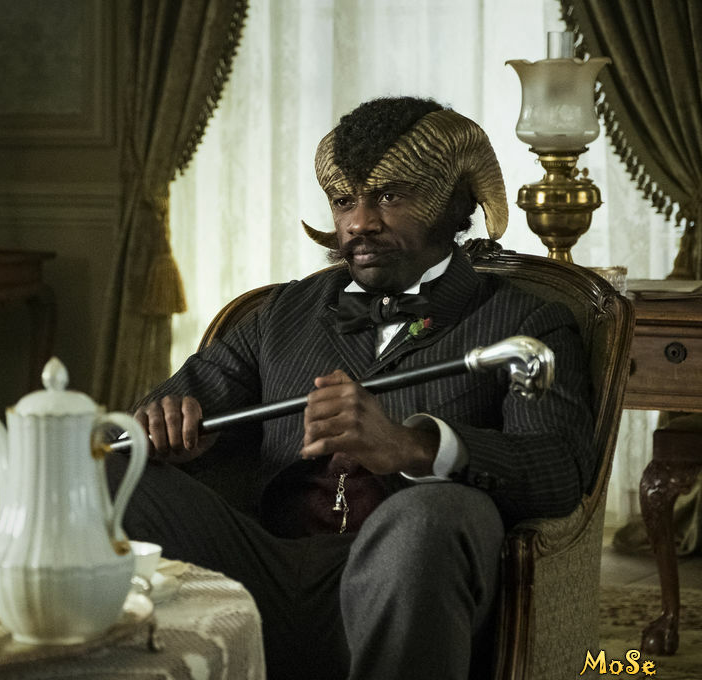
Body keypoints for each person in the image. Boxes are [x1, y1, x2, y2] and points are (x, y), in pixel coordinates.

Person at [106, 96, 596, 680]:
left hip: (410, 577)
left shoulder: (527, 322)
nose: (359, 222)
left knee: (432, 514)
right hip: (261, 567)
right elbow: (157, 419)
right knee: (104, 469)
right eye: (344, 200)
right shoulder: (281, 312)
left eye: (390, 196)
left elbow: (557, 473)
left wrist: (413, 447)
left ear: (457, 201)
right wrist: (166, 428)